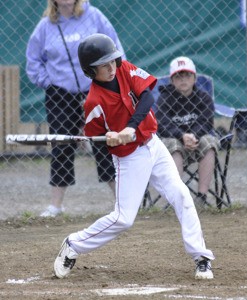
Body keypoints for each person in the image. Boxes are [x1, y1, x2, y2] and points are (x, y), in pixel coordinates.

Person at [53, 33, 215, 280]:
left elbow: (148, 97)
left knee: (181, 194)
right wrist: (110, 137)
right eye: (103, 65)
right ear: (89, 70)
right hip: (129, 157)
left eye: (112, 61)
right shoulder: (93, 102)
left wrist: (130, 127)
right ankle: (73, 244)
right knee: (123, 219)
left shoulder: (124, 69)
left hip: (154, 144)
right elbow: (95, 137)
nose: (110, 67)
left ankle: (201, 257)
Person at [26, 0, 126, 217]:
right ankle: (56, 206)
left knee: (105, 143)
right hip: (60, 95)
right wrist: (49, 83)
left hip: (96, 91)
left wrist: (112, 81)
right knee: (61, 145)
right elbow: (32, 60)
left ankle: (122, 203)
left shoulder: (95, 16)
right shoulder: (45, 26)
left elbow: (115, 49)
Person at [155, 56, 219, 206]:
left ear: (195, 78)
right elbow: (162, 124)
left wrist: (193, 136)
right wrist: (182, 136)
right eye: (178, 76)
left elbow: (207, 121)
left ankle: (201, 197)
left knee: (209, 142)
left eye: (187, 75)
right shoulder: (165, 98)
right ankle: (178, 198)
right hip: (174, 139)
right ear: (171, 80)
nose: (183, 80)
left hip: (197, 140)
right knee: (173, 146)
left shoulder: (204, 98)